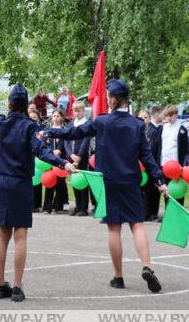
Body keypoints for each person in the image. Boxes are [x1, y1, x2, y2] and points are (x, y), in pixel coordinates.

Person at [43, 79, 168, 293]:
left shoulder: (101, 122)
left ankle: (118, 277)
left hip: (108, 181)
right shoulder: (138, 124)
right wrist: (159, 180)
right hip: (130, 181)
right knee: (137, 224)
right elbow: (147, 157)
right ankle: (147, 266)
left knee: (114, 228)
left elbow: (74, 133)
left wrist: (50, 132)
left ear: (112, 99)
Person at [0, 84, 74, 302]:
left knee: (3, 233)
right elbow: (42, 151)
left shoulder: (1, 123)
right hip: (22, 183)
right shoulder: (30, 127)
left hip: (3, 182)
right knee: (20, 234)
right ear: (26, 104)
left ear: (11, 103)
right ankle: (17, 286)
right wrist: (63, 163)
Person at [66, 100, 91, 216]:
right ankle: (77, 205)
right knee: (75, 181)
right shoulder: (71, 125)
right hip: (72, 157)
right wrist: (71, 154)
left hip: (83, 158)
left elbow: (86, 142)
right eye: (74, 110)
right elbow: (66, 140)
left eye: (78, 110)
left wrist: (79, 157)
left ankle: (84, 208)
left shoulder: (86, 124)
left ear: (83, 111)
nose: (76, 113)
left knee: (83, 181)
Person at [43, 109, 69, 214]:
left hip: (61, 160)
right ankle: (47, 206)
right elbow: (43, 145)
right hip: (50, 159)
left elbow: (66, 143)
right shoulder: (48, 130)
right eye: (54, 116)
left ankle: (57, 206)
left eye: (58, 116)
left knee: (60, 183)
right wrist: (51, 151)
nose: (56, 118)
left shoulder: (65, 130)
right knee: (49, 181)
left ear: (62, 117)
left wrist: (60, 150)